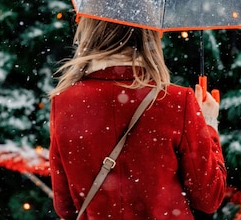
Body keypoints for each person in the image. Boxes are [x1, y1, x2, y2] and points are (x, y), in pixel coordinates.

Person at [49, 17, 226, 219]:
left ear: (90, 31)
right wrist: (209, 123)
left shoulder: (65, 102)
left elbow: (65, 207)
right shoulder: (177, 101)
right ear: (148, 34)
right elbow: (209, 197)